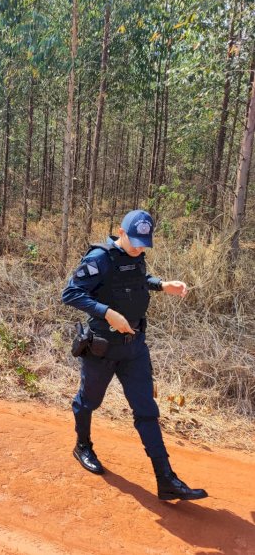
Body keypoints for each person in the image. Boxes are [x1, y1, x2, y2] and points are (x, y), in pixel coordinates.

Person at [62, 210, 207, 501]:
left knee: (146, 411)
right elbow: (71, 293)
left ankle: (166, 479)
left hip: (134, 348)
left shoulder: (137, 256)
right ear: (121, 232)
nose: (140, 247)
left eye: (144, 242)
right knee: (89, 401)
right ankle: (83, 446)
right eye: (135, 241)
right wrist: (107, 313)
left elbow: (136, 281)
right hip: (101, 348)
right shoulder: (99, 258)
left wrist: (162, 285)